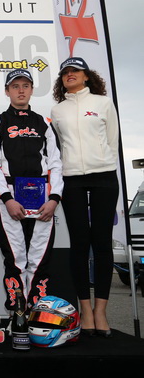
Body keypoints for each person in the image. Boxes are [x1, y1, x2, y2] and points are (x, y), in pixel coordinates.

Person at [0, 69, 63, 311]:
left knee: (40, 257)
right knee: (15, 257)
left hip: (42, 197)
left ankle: (37, 312)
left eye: (25, 86)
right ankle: (17, 313)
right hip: (11, 196)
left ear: (31, 90)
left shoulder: (45, 123)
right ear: (7, 91)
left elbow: (56, 163)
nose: (20, 90)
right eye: (15, 86)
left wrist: (54, 199)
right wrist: (7, 199)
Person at [51, 57, 119, 337]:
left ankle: (101, 310)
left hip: (104, 176)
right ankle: (85, 309)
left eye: (75, 71)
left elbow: (112, 140)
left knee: (101, 243)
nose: (70, 75)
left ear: (87, 76)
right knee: (79, 243)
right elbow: (59, 145)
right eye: (65, 72)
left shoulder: (103, 103)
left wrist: (104, 162)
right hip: (72, 179)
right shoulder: (57, 110)